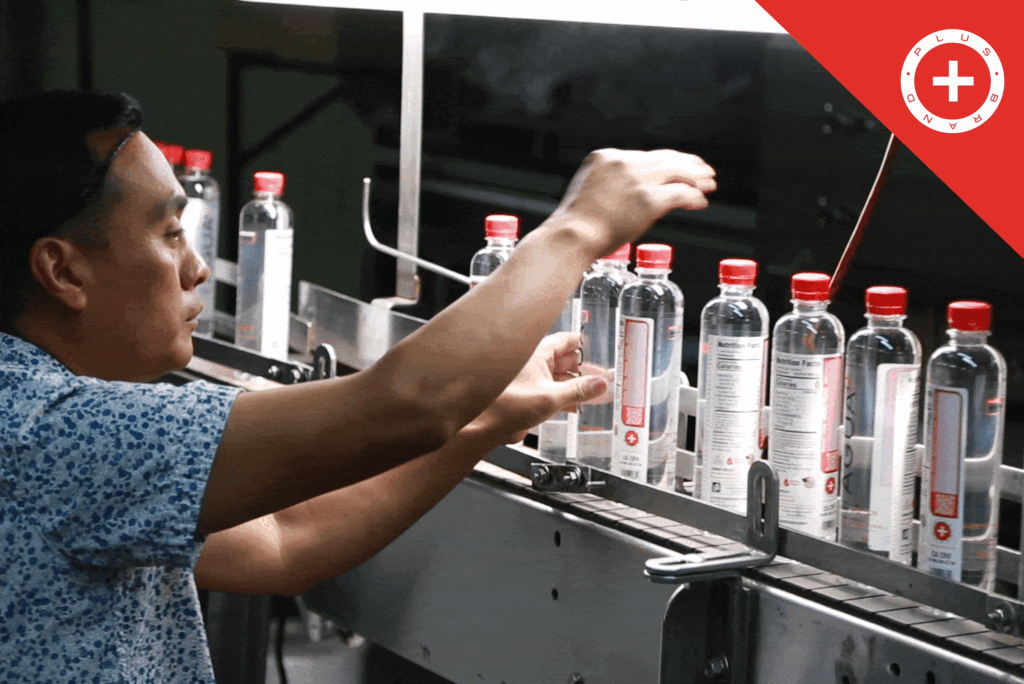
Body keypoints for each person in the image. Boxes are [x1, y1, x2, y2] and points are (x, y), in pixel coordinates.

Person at [0, 90, 717, 682]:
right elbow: (405, 403)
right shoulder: (46, 433)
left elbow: (286, 541)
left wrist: (486, 417)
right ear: (62, 270)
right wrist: (579, 228)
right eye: (167, 233)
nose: (196, 268)